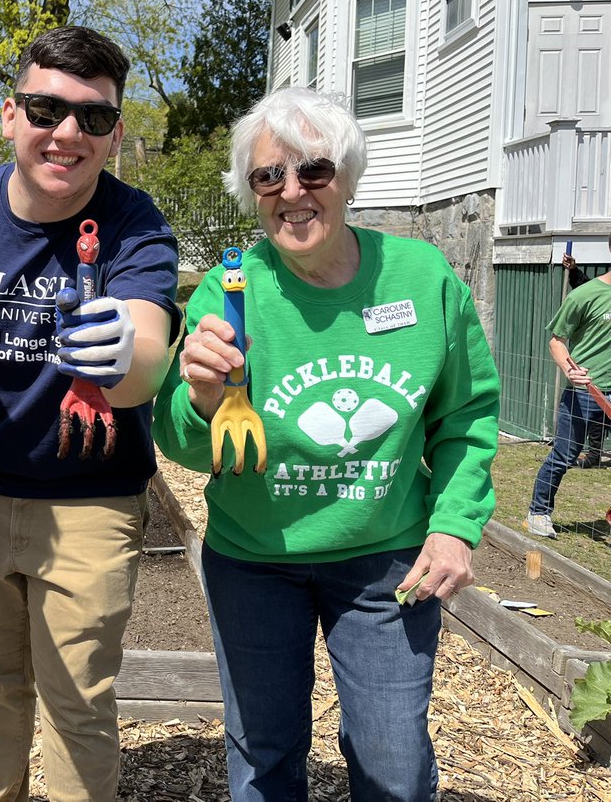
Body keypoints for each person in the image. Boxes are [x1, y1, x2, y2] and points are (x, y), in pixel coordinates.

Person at [152, 86, 500, 801]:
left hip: (385, 562)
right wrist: (206, 399)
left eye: (313, 170)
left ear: (347, 177)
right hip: (256, 561)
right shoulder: (230, 290)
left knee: (393, 761)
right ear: (252, 193)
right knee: (265, 754)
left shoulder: (421, 279)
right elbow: (182, 443)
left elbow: (466, 416)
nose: (292, 192)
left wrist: (454, 526)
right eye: (268, 176)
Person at [0, 25, 179, 801]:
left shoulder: (135, 224)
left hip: (92, 498)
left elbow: (148, 353)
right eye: (45, 108)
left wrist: (125, 361)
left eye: (92, 118)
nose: (66, 134)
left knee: (77, 701)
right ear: (9, 114)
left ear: (114, 133)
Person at [527, 238, 611, 537]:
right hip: (587, 391)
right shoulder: (585, 295)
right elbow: (556, 341)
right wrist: (570, 371)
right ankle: (539, 512)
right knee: (564, 454)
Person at [560, 249, 605, 468]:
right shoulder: (597, 290)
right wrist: (574, 270)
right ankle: (594, 455)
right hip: (595, 375)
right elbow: (586, 289)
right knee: (595, 415)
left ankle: (594, 455)